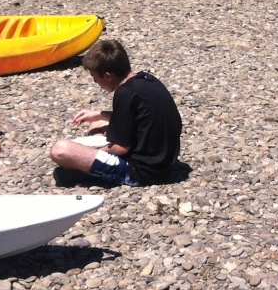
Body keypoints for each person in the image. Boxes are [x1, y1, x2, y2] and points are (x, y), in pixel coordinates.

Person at [50, 39, 181, 188]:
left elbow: (120, 148)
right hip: (163, 161)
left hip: (141, 172)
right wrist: (99, 114)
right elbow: (139, 119)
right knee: (97, 123)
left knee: (60, 150)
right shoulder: (146, 80)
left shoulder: (124, 93)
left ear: (107, 76)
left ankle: (92, 173)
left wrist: (89, 152)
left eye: (94, 77)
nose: (95, 82)